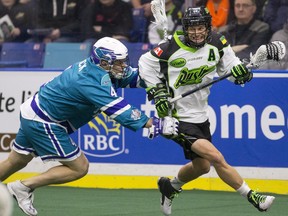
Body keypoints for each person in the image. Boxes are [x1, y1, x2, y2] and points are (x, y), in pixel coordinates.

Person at [0, 37, 179, 216]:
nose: (123, 66)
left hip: (34, 112)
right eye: (118, 63)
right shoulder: (89, 80)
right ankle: (23, 187)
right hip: (43, 121)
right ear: (103, 62)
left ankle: (20, 187)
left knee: (16, 160)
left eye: (123, 62)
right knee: (79, 167)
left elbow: (134, 78)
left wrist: (159, 76)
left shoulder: (100, 70)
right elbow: (118, 108)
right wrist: (153, 123)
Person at [138, 6, 275, 215]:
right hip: (176, 118)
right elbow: (145, 63)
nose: (196, 32)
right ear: (185, 28)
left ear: (208, 27)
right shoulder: (169, 47)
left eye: (200, 27)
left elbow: (232, 72)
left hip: (201, 116)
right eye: (191, 28)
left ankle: (170, 186)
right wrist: (158, 92)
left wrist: (241, 74)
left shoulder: (217, 43)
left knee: (202, 166)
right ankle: (253, 196)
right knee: (216, 157)